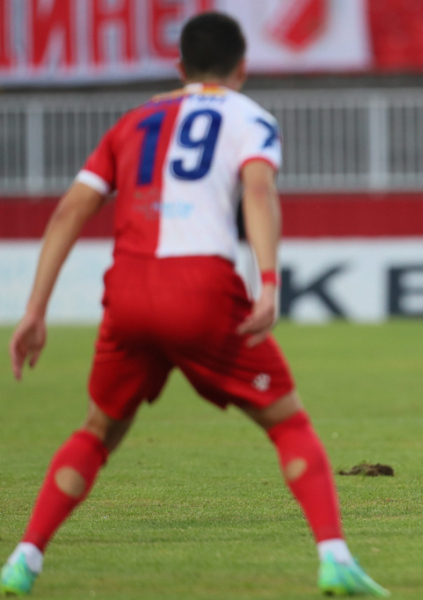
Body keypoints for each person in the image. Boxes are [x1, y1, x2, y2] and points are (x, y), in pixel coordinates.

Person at [1, 12, 388, 597]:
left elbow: (68, 211)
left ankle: (23, 559)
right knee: (288, 422)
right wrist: (268, 281)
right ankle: (334, 558)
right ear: (242, 68)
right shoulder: (249, 116)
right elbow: (258, 188)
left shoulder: (132, 121)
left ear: (180, 67)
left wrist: (34, 310)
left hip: (129, 290)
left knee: (98, 430)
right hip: (201, 289)